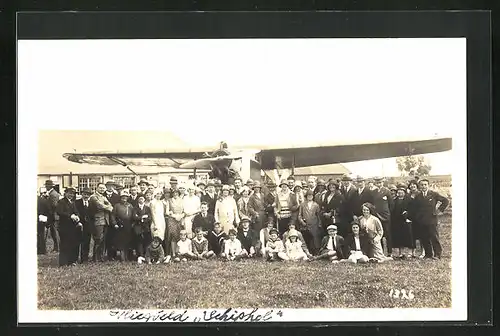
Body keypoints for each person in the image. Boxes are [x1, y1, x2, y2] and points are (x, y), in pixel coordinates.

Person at [414, 179, 449, 259]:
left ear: (428, 185)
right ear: (419, 186)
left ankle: (437, 254)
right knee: (424, 237)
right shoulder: (418, 196)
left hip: (431, 220)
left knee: (434, 237)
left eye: (425, 184)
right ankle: (428, 254)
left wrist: (439, 210)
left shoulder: (433, 194)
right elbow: (414, 208)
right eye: (422, 185)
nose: (423, 186)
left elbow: (445, 201)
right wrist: (417, 217)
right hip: (421, 220)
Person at [55, 187, 82, 266]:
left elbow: (76, 211)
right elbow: (60, 212)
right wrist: (70, 216)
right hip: (64, 226)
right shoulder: (61, 202)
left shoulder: (72, 202)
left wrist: (77, 217)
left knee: (72, 243)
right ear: (65, 193)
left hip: (73, 226)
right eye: (70, 193)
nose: (71, 195)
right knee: (64, 244)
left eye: (73, 194)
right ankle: (63, 262)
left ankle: (71, 261)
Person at [88, 183, 114, 262]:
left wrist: (108, 206)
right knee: (98, 239)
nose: (102, 189)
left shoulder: (103, 197)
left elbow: (110, 205)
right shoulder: (93, 197)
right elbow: (99, 205)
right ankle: (95, 257)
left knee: (103, 240)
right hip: (98, 220)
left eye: (103, 188)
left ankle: (101, 256)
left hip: (106, 220)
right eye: (100, 188)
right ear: (97, 188)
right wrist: (108, 208)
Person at [391, 185, 415, 259]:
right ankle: (401, 253)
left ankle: (411, 253)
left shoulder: (409, 199)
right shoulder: (394, 200)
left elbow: (413, 209)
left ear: (405, 192)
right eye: (398, 191)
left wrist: (408, 215)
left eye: (402, 191)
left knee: (409, 237)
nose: (400, 192)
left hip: (407, 221)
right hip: (397, 222)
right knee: (399, 237)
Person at [372, 177, 394, 257]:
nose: (379, 184)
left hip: (385, 216)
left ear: (382, 182)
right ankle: (380, 251)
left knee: (388, 234)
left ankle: (389, 252)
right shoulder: (373, 192)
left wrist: (387, 213)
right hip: (377, 215)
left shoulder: (387, 191)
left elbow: (391, 204)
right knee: (379, 234)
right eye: (377, 182)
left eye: (380, 182)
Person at [111, 190, 135, 261]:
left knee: (128, 240)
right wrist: (114, 223)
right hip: (120, 224)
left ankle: (128, 256)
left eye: (125, 197)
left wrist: (133, 224)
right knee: (121, 241)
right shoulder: (117, 205)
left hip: (129, 225)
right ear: (120, 198)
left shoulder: (130, 205)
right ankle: (122, 257)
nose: (124, 199)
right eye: (123, 197)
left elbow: (133, 215)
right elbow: (113, 215)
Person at [297, 189, 322, 255]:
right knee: (306, 238)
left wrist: (319, 224)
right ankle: (307, 251)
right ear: (306, 196)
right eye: (308, 195)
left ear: (313, 196)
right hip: (305, 224)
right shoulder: (302, 204)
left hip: (314, 224)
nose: (310, 197)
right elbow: (299, 215)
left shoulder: (316, 205)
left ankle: (316, 251)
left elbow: (318, 215)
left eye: (311, 195)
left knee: (315, 238)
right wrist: (302, 222)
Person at [74, 187, 93, 263]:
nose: (86, 196)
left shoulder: (91, 203)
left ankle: (84, 258)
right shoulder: (76, 203)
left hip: (88, 226)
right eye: (84, 194)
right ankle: (75, 258)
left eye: (88, 195)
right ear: (82, 194)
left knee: (86, 242)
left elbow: (93, 214)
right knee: (77, 242)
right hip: (79, 225)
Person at [133, 195, 153, 264]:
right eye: (140, 199)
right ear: (138, 200)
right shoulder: (135, 208)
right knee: (139, 242)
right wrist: (142, 217)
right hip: (138, 227)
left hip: (146, 227)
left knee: (146, 241)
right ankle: (140, 256)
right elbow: (134, 217)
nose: (141, 200)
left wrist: (143, 220)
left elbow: (149, 217)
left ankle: (146, 255)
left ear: (144, 200)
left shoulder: (147, 208)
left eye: (142, 199)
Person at [406, 180, 423, 257]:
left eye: (414, 185)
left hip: (419, 217)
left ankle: (423, 251)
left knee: (421, 235)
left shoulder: (420, 194)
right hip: (410, 217)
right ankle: (412, 252)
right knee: (411, 235)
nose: (412, 186)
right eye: (411, 185)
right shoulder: (408, 195)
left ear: (417, 186)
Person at [166, 189, 184, 257]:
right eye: (174, 193)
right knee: (173, 236)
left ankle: (179, 252)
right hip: (172, 220)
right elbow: (167, 212)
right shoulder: (169, 200)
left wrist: (180, 216)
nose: (175, 194)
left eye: (176, 193)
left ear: (178, 193)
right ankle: (173, 253)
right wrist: (174, 216)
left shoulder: (182, 200)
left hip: (180, 219)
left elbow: (184, 211)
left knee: (180, 235)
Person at [44, 180, 61, 253]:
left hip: (54, 216)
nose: (45, 187)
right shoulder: (52, 193)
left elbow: (54, 205)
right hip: (53, 215)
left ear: (49, 186)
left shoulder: (53, 194)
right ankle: (56, 247)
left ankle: (57, 248)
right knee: (53, 232)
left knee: (54, 232)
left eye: (46, 186)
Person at [37, 187, 51, 255]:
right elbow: (48, 211)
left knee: (39, 234)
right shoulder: (43, 200)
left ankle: (40, 249)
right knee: (41, 234)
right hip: (41, 219)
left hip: (38, 219)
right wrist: (47, 221)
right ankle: (42, 250)